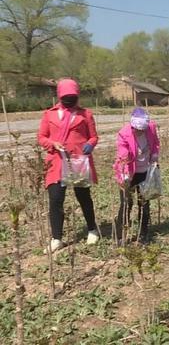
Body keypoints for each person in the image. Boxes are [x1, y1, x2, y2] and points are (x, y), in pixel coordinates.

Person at [37, 79, 99, 253]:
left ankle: (92, 229)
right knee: (56, 200)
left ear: (77, 95)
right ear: (59, 96)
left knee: (83, 196)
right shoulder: (49, 114)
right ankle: (56, 238)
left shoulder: (85, 114)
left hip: (78, 162)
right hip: (56, 163)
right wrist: (52, 144)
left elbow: (94, 136)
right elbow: (41, 137)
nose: (69, 101)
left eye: (72, 97)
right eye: (66, 98)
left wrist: (90, 144)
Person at [113, 107, 160, 244]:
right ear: (132, 126)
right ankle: (121, 236)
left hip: (145, 171)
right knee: (126, 203)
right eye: (137, 129)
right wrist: (125, 174)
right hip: (129, 171)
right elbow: (123, 156)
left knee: (144, 203)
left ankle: (143, 233)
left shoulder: (150, 128)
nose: (140, 131)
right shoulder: (124, 134)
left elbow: (155, 143)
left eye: (142, 129)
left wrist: (155, 155)